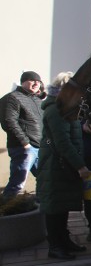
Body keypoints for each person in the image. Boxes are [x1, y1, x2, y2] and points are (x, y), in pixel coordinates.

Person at [35, 72, 89, 260]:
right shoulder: (56, 110)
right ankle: (55, 246)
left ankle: (63, 241)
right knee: (54, 207)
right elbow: (63, 142)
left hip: (62, 165)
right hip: (55, 165)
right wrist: (80, 165)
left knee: (61, 206)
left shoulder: (65, 107)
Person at [1, 71, 44, 199]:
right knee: (17, 183)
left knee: (44, 179)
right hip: (24, 148)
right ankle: (5, 212)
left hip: (39, 146)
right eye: (32, 80)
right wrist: (25, 142)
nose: (36, 83)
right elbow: (8, 121)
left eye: (38, 81)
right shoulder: (12, 98)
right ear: (23, 82)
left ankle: (40, 208)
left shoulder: (37, 99)